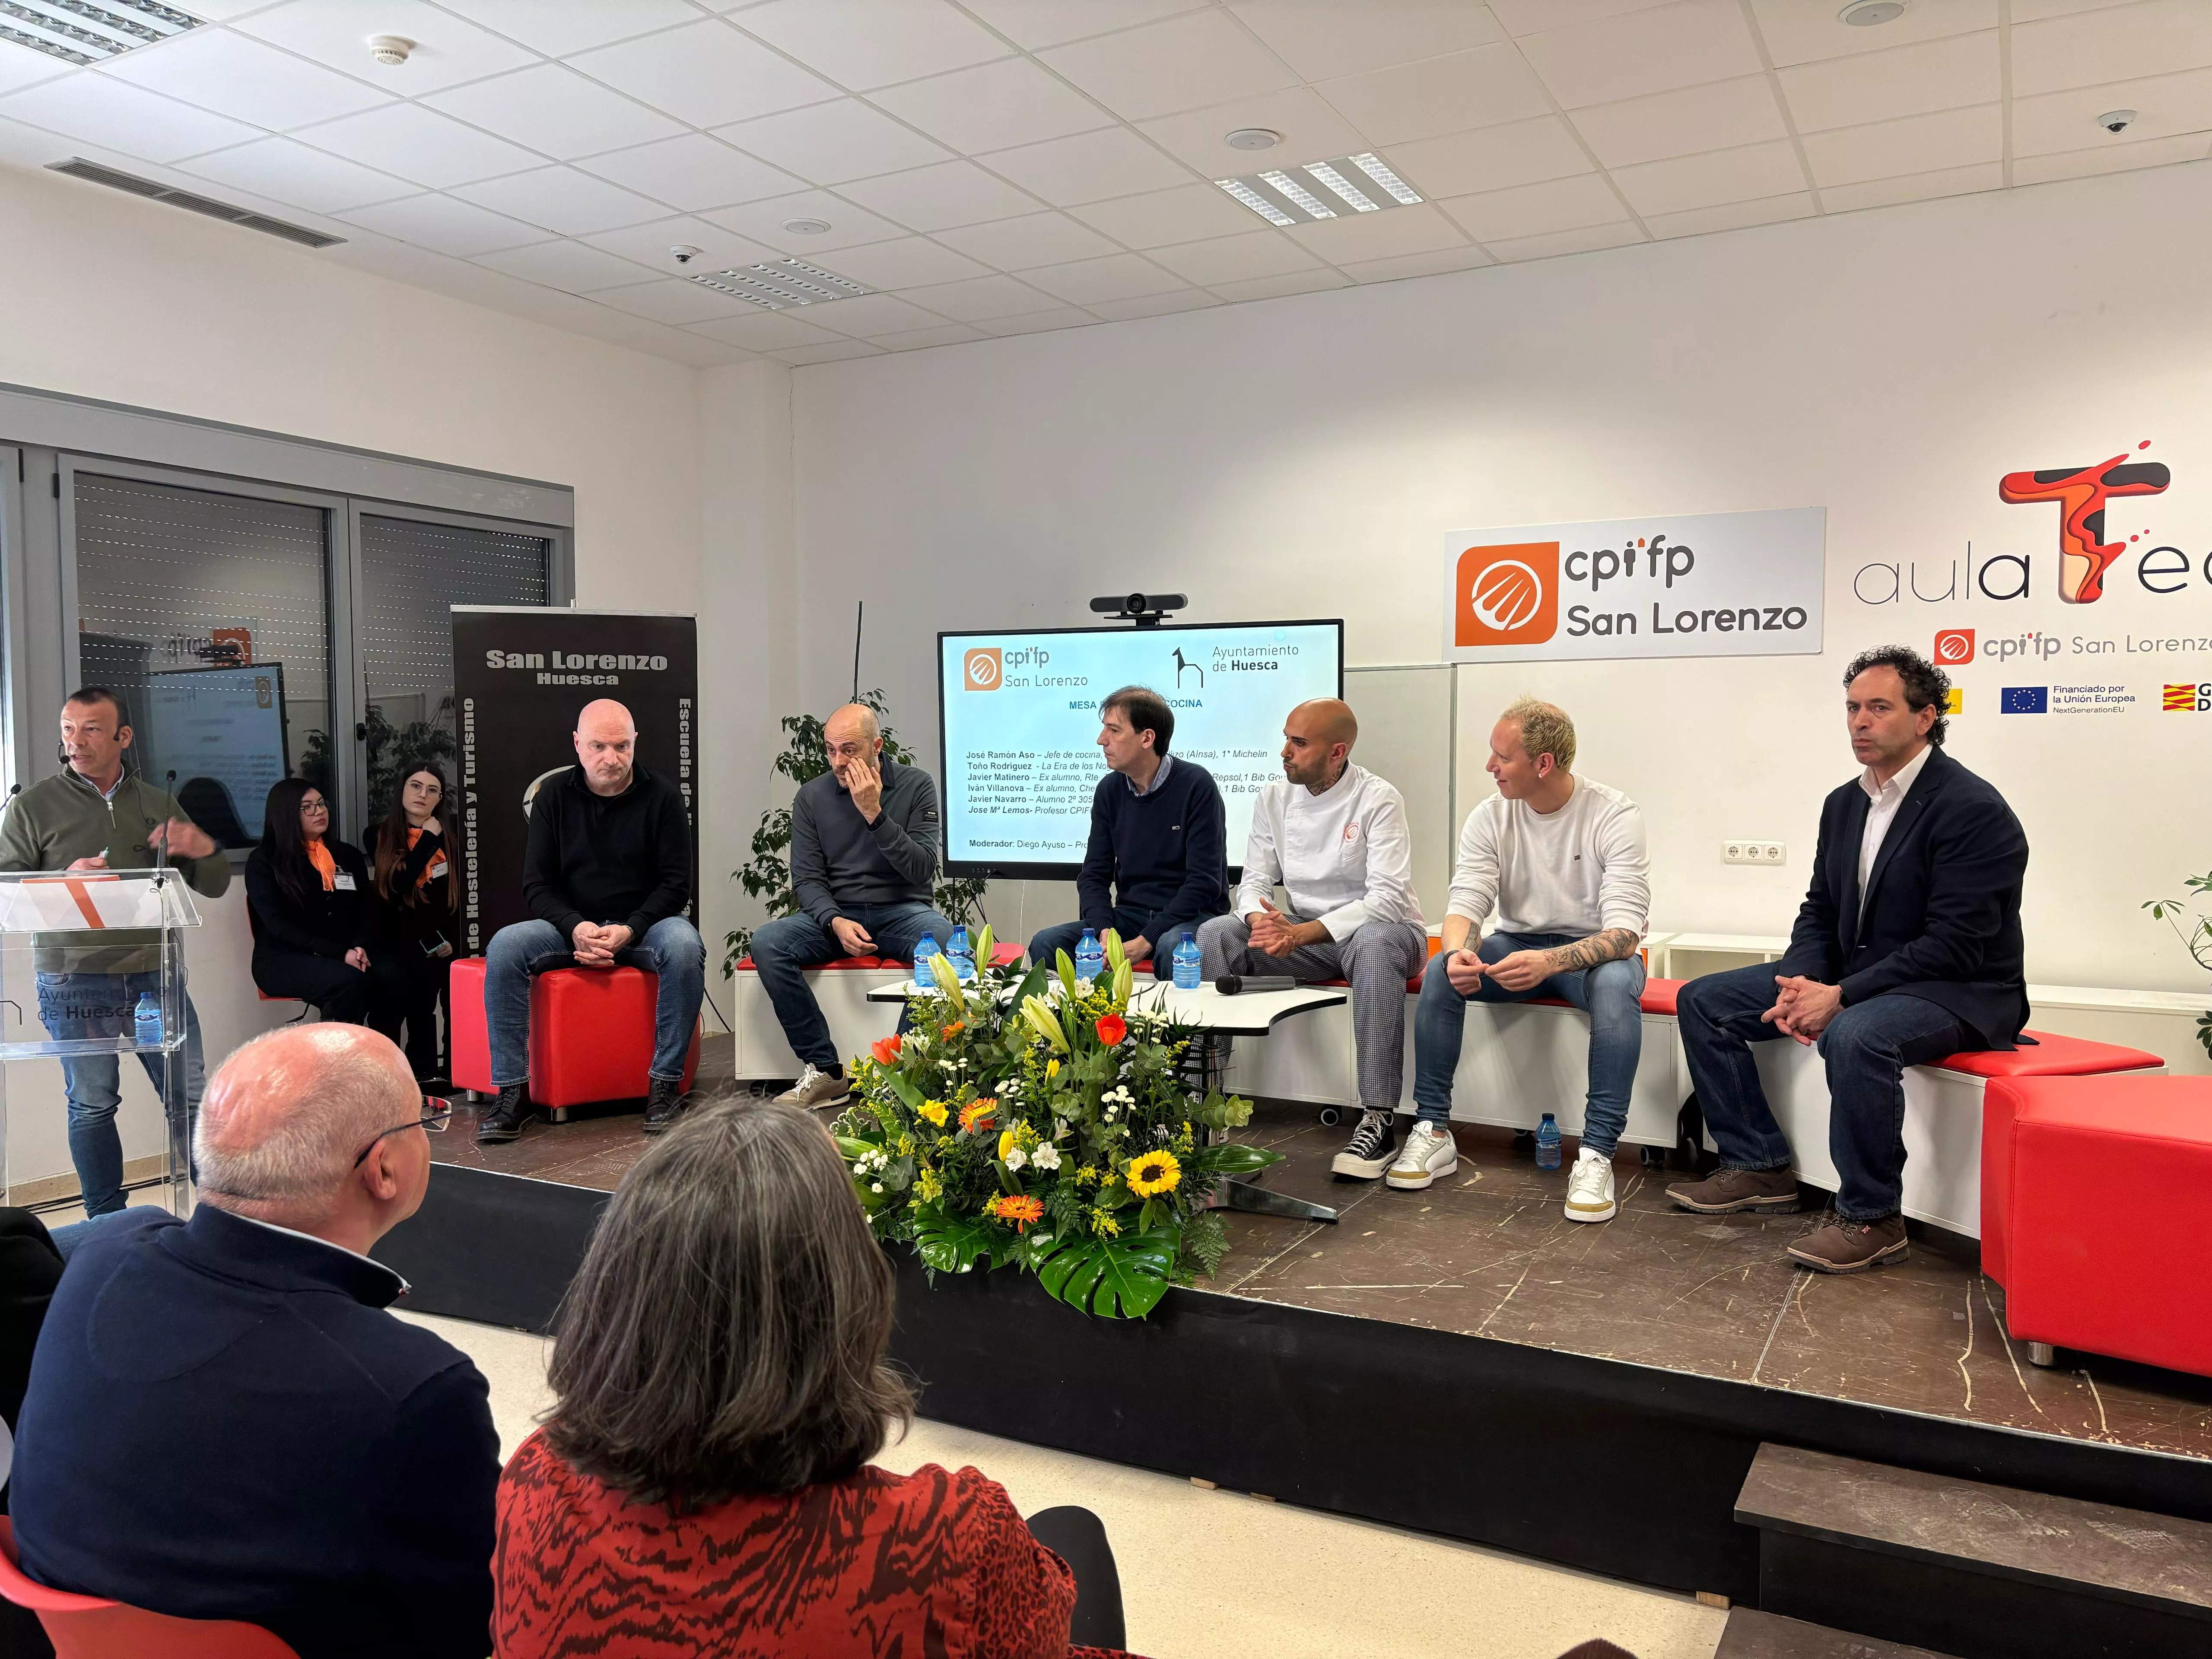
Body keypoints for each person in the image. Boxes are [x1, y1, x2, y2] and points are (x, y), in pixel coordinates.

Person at [493, 1100, 1135, 1659]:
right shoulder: (949, 1537)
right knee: (1074, 1531)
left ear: (620, 1282)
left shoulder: (533, 1483)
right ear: (840, 1293)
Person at [10, 1025, 498, 1659]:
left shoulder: (101, 1261)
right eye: (423, 1123)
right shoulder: (411, 1386)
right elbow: (475, 1625)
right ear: (383, 1169)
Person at [1669, 647, 2029, 1274]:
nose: (1860, 722)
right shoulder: (1845, 803)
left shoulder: (1974, 809)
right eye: (1853, 708)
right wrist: (1803, 979)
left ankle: (1871, 1216)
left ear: (1925, 718)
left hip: (1957, 989)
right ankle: (1758, 1164)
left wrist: (1841, 996)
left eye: (1879, 708)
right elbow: (1819, 907)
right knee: (1704, 1001)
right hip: (1862, 976)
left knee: (1857, 1035)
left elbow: (1956, 944)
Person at [1389, 699, 1649, 1224]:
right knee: (1443, 969)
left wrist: (1550, 962)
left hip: (1586, 958)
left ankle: (1596, 1154)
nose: (1489, 767)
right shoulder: (1490, 815)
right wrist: (1461, 948)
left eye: (1501, 757)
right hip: (1516, 946)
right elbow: (1466, 901)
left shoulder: (1614, 814)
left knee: (1618, 981)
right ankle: (1433, 1129)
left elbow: (1624, 934)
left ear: (1543, 764)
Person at [0, 687, 224, 1217]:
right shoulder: (32, 805)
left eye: (92, 729)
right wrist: (61, 880)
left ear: (123, 736)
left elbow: (212, 885)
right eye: (68, 728)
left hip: (154, 973)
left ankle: (220, 1213)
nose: (76, 741)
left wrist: (203, 849)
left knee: (190, 1097)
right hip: (75, 979)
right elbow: (5, 887)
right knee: (93, 1104)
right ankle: (106, 1223)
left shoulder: (157, 801)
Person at [1197, 699, 1428, 1178]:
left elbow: (1384, 900)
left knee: (1372, 943)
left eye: (1298, 744)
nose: (1285, 752)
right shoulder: (1272, 799)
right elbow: (1255, 881)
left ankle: (1378, 1119)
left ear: (1337, 752)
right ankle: (1206, 1104)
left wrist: (1299, 934)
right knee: (1216, 934)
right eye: (1285, 739)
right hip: (1306, 940)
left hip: (1385, 937)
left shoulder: (1378, 799)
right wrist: (1257, 919)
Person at [478, 699, 702, 1143]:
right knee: (505, 944)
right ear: (578, 745)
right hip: (570, 927)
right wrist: (576, 927)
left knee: (684, 946)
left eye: (621, 746)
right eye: (599, 746)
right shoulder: (553, 798)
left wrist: (630, 930)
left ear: (635, 743)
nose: (611, 758)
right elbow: (537, 886)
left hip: (642, 928)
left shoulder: (663, 797)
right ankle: (511, 1092)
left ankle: (663, 1086)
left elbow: (676, 886)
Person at [750, 703, 956, 1110]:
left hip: (902, 911)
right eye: (831, 751)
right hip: (837, 913)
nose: (839, 762)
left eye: (850, 750)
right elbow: (807, 880)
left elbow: (921, 870)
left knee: (945, 942)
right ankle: (825, 1070)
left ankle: (901, 1073)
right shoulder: (812, 796)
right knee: (768, 942)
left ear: (877, 746)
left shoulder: (916, 786)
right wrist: (834, 921)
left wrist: (874, 813)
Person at [1028, 686, 1228, 973]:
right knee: (1047, 943)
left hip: (1191, 917)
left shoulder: (1196, 786)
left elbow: (1204, 883)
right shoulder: (1109, 790)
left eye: (1114, 731)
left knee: (1171, 946)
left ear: (1147, 738)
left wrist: (1147, 939)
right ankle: (1083, 1019)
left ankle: (1166, 1020)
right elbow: (1094, 875)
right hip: (1130, 915)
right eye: (1103, 730)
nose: (1101, 740)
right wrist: (1104, 928)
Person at [247, 777, 374, 1023]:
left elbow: (365, 909)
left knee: (389, 977)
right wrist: (341, 954)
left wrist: (359, 947)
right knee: (348, 983)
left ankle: (379, 1055)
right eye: (308, 807)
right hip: (284, 957)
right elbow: (278, 927)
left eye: (322, 804)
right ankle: (333, 1058)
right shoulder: (264, 861)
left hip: (345, 950)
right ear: (286, 814)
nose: (320, 812)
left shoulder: (347, 855)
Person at [365, 765, 458, 1084]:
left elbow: (453, 898)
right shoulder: (378, 834)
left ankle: (432, 1072)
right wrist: (429, 839)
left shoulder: (453, 837)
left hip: (435, 938)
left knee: (435, 986)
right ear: (402, 791)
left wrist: (448, 940)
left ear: (440, 799)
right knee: (397, 985)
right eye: (416, 786)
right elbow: (399, 885)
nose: (423, 795)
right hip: (394, 938)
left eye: (432, 790)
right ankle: (389, 1076)